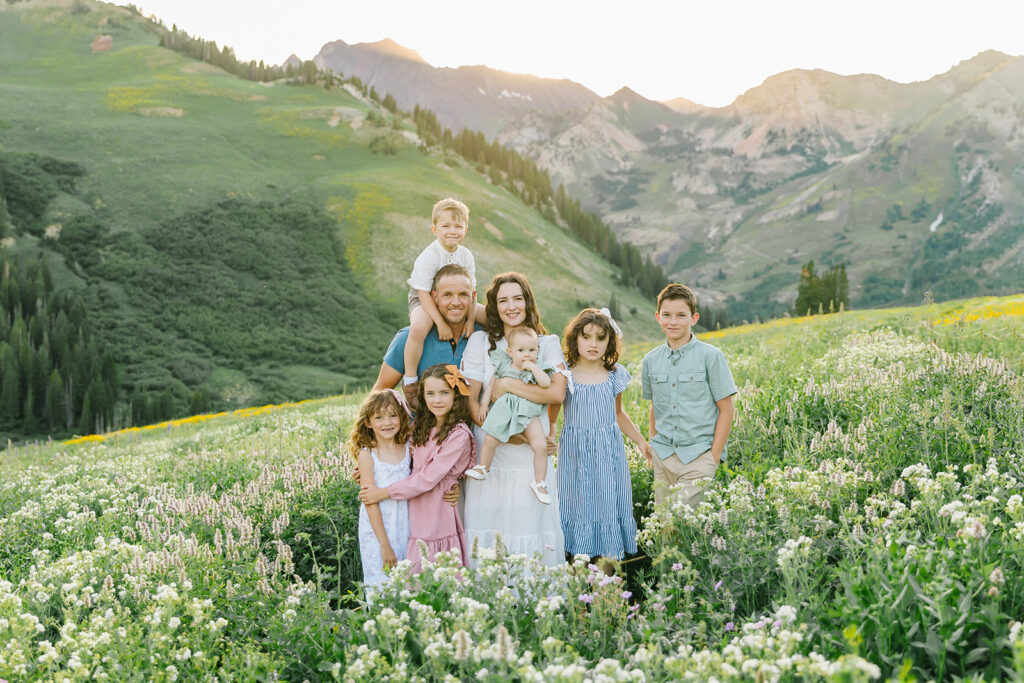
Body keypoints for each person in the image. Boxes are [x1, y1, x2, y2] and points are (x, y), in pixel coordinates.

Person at [461, 272, 566, 566]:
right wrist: (509, 434)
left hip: (530, 457)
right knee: (491, 528)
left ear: (527, 301)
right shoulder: (481, 342)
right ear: (493, 306)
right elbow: (472, 401)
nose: (511, 306)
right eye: (502, 300)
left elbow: (556, 393)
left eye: (517, 298)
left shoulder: (546, 343)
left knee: (530, 525)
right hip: (491, 454)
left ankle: (535, 603)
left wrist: (507, 386)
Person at [359, 364, 476, 572]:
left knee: (436, 574)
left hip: (437, 512)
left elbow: (429, 478)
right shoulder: (422, 427)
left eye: (444, 393)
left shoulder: (458, 434)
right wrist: (367, 471)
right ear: (422, 397)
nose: (437, 400)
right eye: (430, 393)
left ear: (455, 396)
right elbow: (398, 456)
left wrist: (383, 492)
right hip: (411, 511)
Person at [553, 308, 648, 561]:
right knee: (578, 510)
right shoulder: (565, 374)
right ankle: (577, 591)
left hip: (608, 454)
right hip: (575, 455)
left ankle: (607, 592)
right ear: (576, 339)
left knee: (607, 508)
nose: (593, 344)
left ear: (610, 342)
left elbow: (618, 414)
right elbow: (551, 414)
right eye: (586, 337)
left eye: (600, 338)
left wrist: (640, 441)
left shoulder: (614, 374)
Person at [641, 284, 737, 507]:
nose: (673, 321)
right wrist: (653, 446)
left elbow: (727, 409)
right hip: (663, 456)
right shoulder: (650, 360)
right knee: (666, 526)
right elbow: (655, 406)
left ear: (694, 318)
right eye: (667, 315)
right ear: (658, 317)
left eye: (681, 315)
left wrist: (713, 457)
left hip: (699, 455)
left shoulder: (711, 357)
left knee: (679, 516)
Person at [402, 198, 487, 397]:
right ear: (435, 230)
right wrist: (440, 323)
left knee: (493, 316)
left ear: (465, 230)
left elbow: (472, 291)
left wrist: (471, 320)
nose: (452, 231)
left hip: (459, 300)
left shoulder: (466, 256)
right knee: (418, 328)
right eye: (446, 226)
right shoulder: (429, 256)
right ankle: (410, 378)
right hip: (424, 298)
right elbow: (423, 292)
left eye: (458, 226)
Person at [465, 326, 556, 504]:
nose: (526, 354)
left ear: (537, 350)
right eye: (521, 350)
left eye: (531, 350)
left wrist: (533, 368)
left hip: (528, 412)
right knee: (490, 439)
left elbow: (545, 384)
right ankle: (483, 467)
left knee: (541, 446)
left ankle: (539, 483)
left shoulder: (537, 368)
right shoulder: (503, 365)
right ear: (510, 351)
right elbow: (491, 386)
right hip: (505, 410)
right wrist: (483, 404)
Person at [373, 264, 482, 405]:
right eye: (447, 295)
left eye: (463, 294)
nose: (456, 302)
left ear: (473, 296)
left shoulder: (484, 336)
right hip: (420, 426)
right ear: (434, 297)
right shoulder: (409, 338)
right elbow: (379, 394)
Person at [349, 389, 412, 591]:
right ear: (368, 422)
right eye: (379, 417)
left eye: (393, 415)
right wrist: (384, 545)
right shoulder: (368, 455)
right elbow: (370, 501)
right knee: (382, 583)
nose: (387, 423)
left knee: (407, 583)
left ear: (402, 418)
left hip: (406, 523)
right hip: (378, 529)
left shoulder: (409, 447)